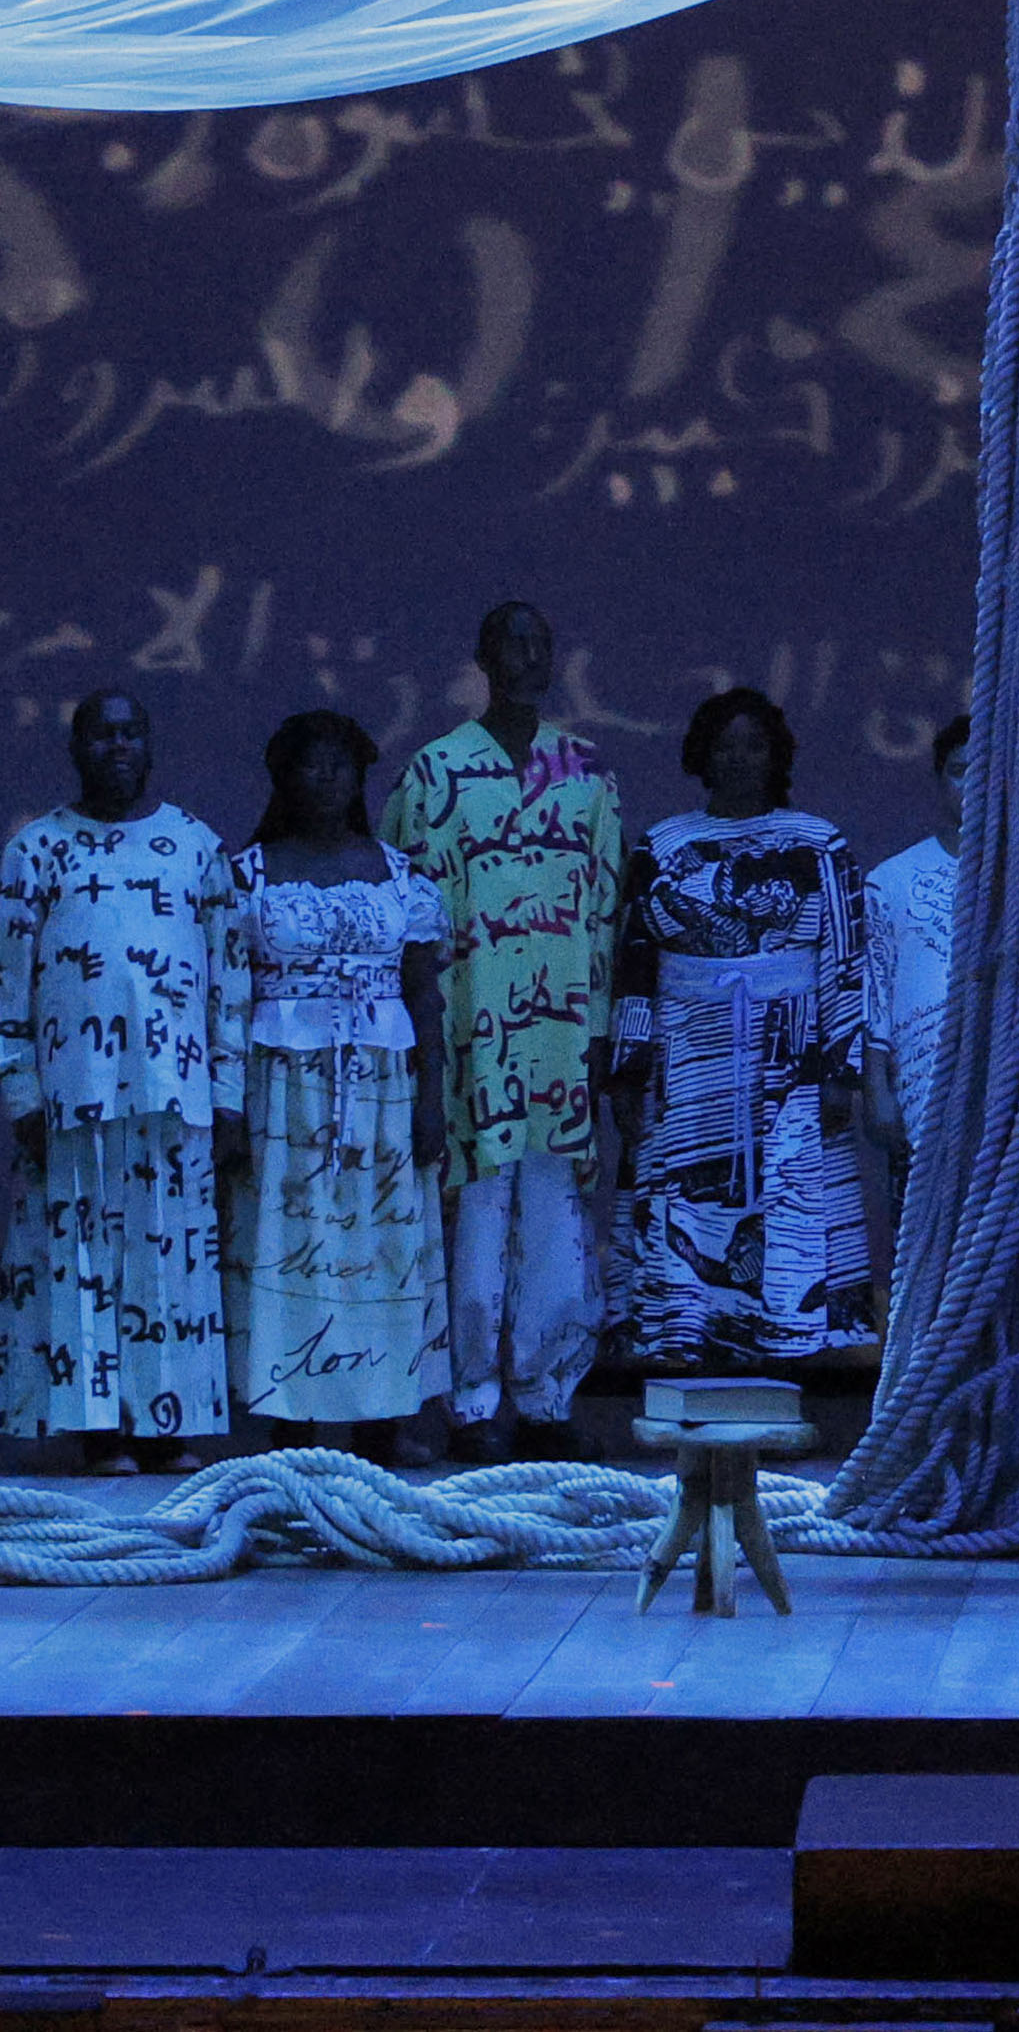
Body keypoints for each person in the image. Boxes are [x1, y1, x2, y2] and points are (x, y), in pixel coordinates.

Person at [392, 602, 630, 1449]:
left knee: (559, 1214)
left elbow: (607, 907)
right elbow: (409, 917)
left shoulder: (586, 770)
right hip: (470, 1029)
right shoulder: (433, 773)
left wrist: (599, 1029)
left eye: (542, 641)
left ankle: (549, 1395)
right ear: (483, 655)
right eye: (512, 643)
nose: (529, 655)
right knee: (474, 1210)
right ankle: (471, 1399)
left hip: (561, 1032)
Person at [0, 689, 244, 1462]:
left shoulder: (198, 844)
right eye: (102, 734)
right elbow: (8, 977)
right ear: (75, 747)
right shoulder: (37, 847)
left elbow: (229, 980)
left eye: (132, 731)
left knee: (170, 1255)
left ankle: (166, 1423)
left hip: (178, 1089)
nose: (118, 745)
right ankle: (97, 1424)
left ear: (151, 743)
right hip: (76, 1092)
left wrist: (229, 1090)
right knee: (80, 1257)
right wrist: (21, 1087)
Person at [619, 684, 874, 1377]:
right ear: (702, 754)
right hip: (690, 1047)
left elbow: (846, 958)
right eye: (725, 744)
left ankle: (784, 1354)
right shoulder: (665, 843)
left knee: (787, 1194)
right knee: (692, 1198)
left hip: (789, 1051)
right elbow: (635, 958)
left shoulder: (818, 841)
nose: (739, 757)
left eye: (753, 744)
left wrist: (840, 1067)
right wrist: (628, 1067)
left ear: (776, 754)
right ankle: (688, 1342)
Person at [231, 710, 450, 1453]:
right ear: (284, 777)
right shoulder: (246, 873)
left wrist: (432, 1101)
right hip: (284, 1091)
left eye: (340, 764)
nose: (326, 777)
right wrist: (231, 1109)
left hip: (383, 1089)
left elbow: (424, 994)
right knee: (290, 1245)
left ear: (361, 777)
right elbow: (225, 1000)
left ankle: (383, 1417)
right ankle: (288, 1419)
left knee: (380, 1249)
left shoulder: (400, 874)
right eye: (310, 764)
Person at [853, 708, 962, 1279]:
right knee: (922, 1247)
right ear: (941, 779)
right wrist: (877, 1089)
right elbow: (876, 988)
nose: (974, 785)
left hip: (1013, 1085)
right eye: (961, 771)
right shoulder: (892, 879)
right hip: (921, 1083)